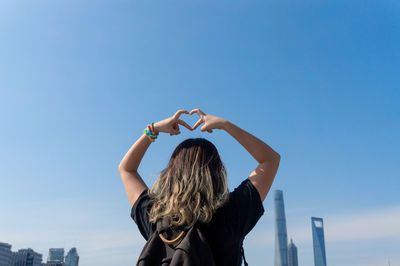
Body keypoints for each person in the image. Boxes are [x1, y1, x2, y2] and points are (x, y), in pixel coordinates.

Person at [118, 108, 281, 266]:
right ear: (218, 172)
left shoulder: (155, 215)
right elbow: (270, 159)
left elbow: (127, 170)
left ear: (170, 173)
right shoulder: (233, 212)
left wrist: (153, 129)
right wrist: (225, 124)